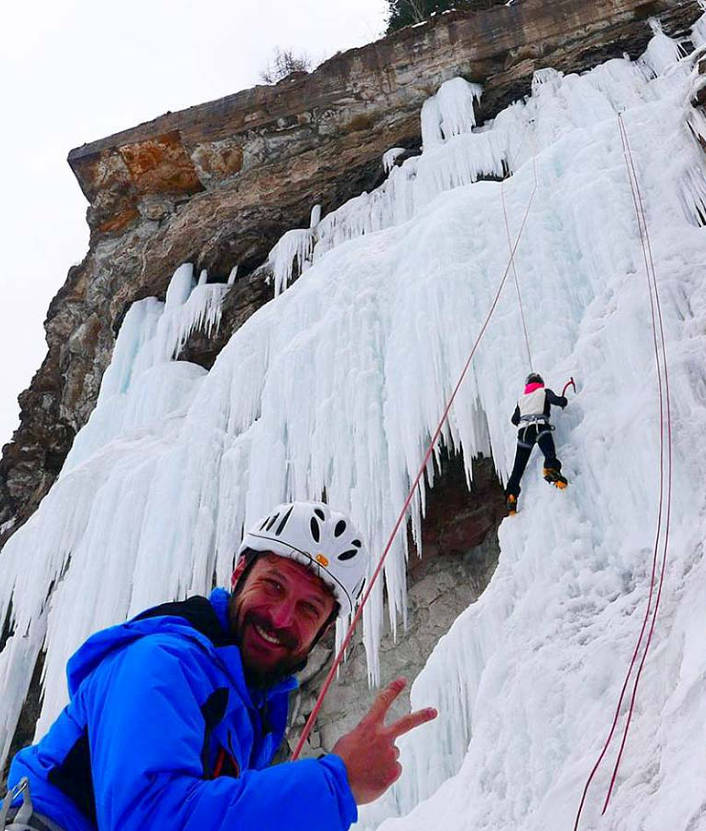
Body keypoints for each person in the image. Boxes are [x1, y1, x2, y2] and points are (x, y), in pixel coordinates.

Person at [2, 501, 437, 831]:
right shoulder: (164, 663)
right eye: (274, 585)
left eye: (308, 609)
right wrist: (334, 784)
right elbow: (150, 818)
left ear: (323, 634)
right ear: (238, 575)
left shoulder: (251, 708)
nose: (281, 618)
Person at [505, 373, 568, 514]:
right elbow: (556, 400)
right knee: (549, 452)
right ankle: (551, 470)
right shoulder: (544, 392)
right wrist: (564, 401)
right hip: (539, 427)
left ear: (527, 385)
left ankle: (512, 495)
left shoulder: (521, 400)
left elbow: (514, 420)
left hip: (524, 433)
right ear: (540, 383)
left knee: (518, 467)